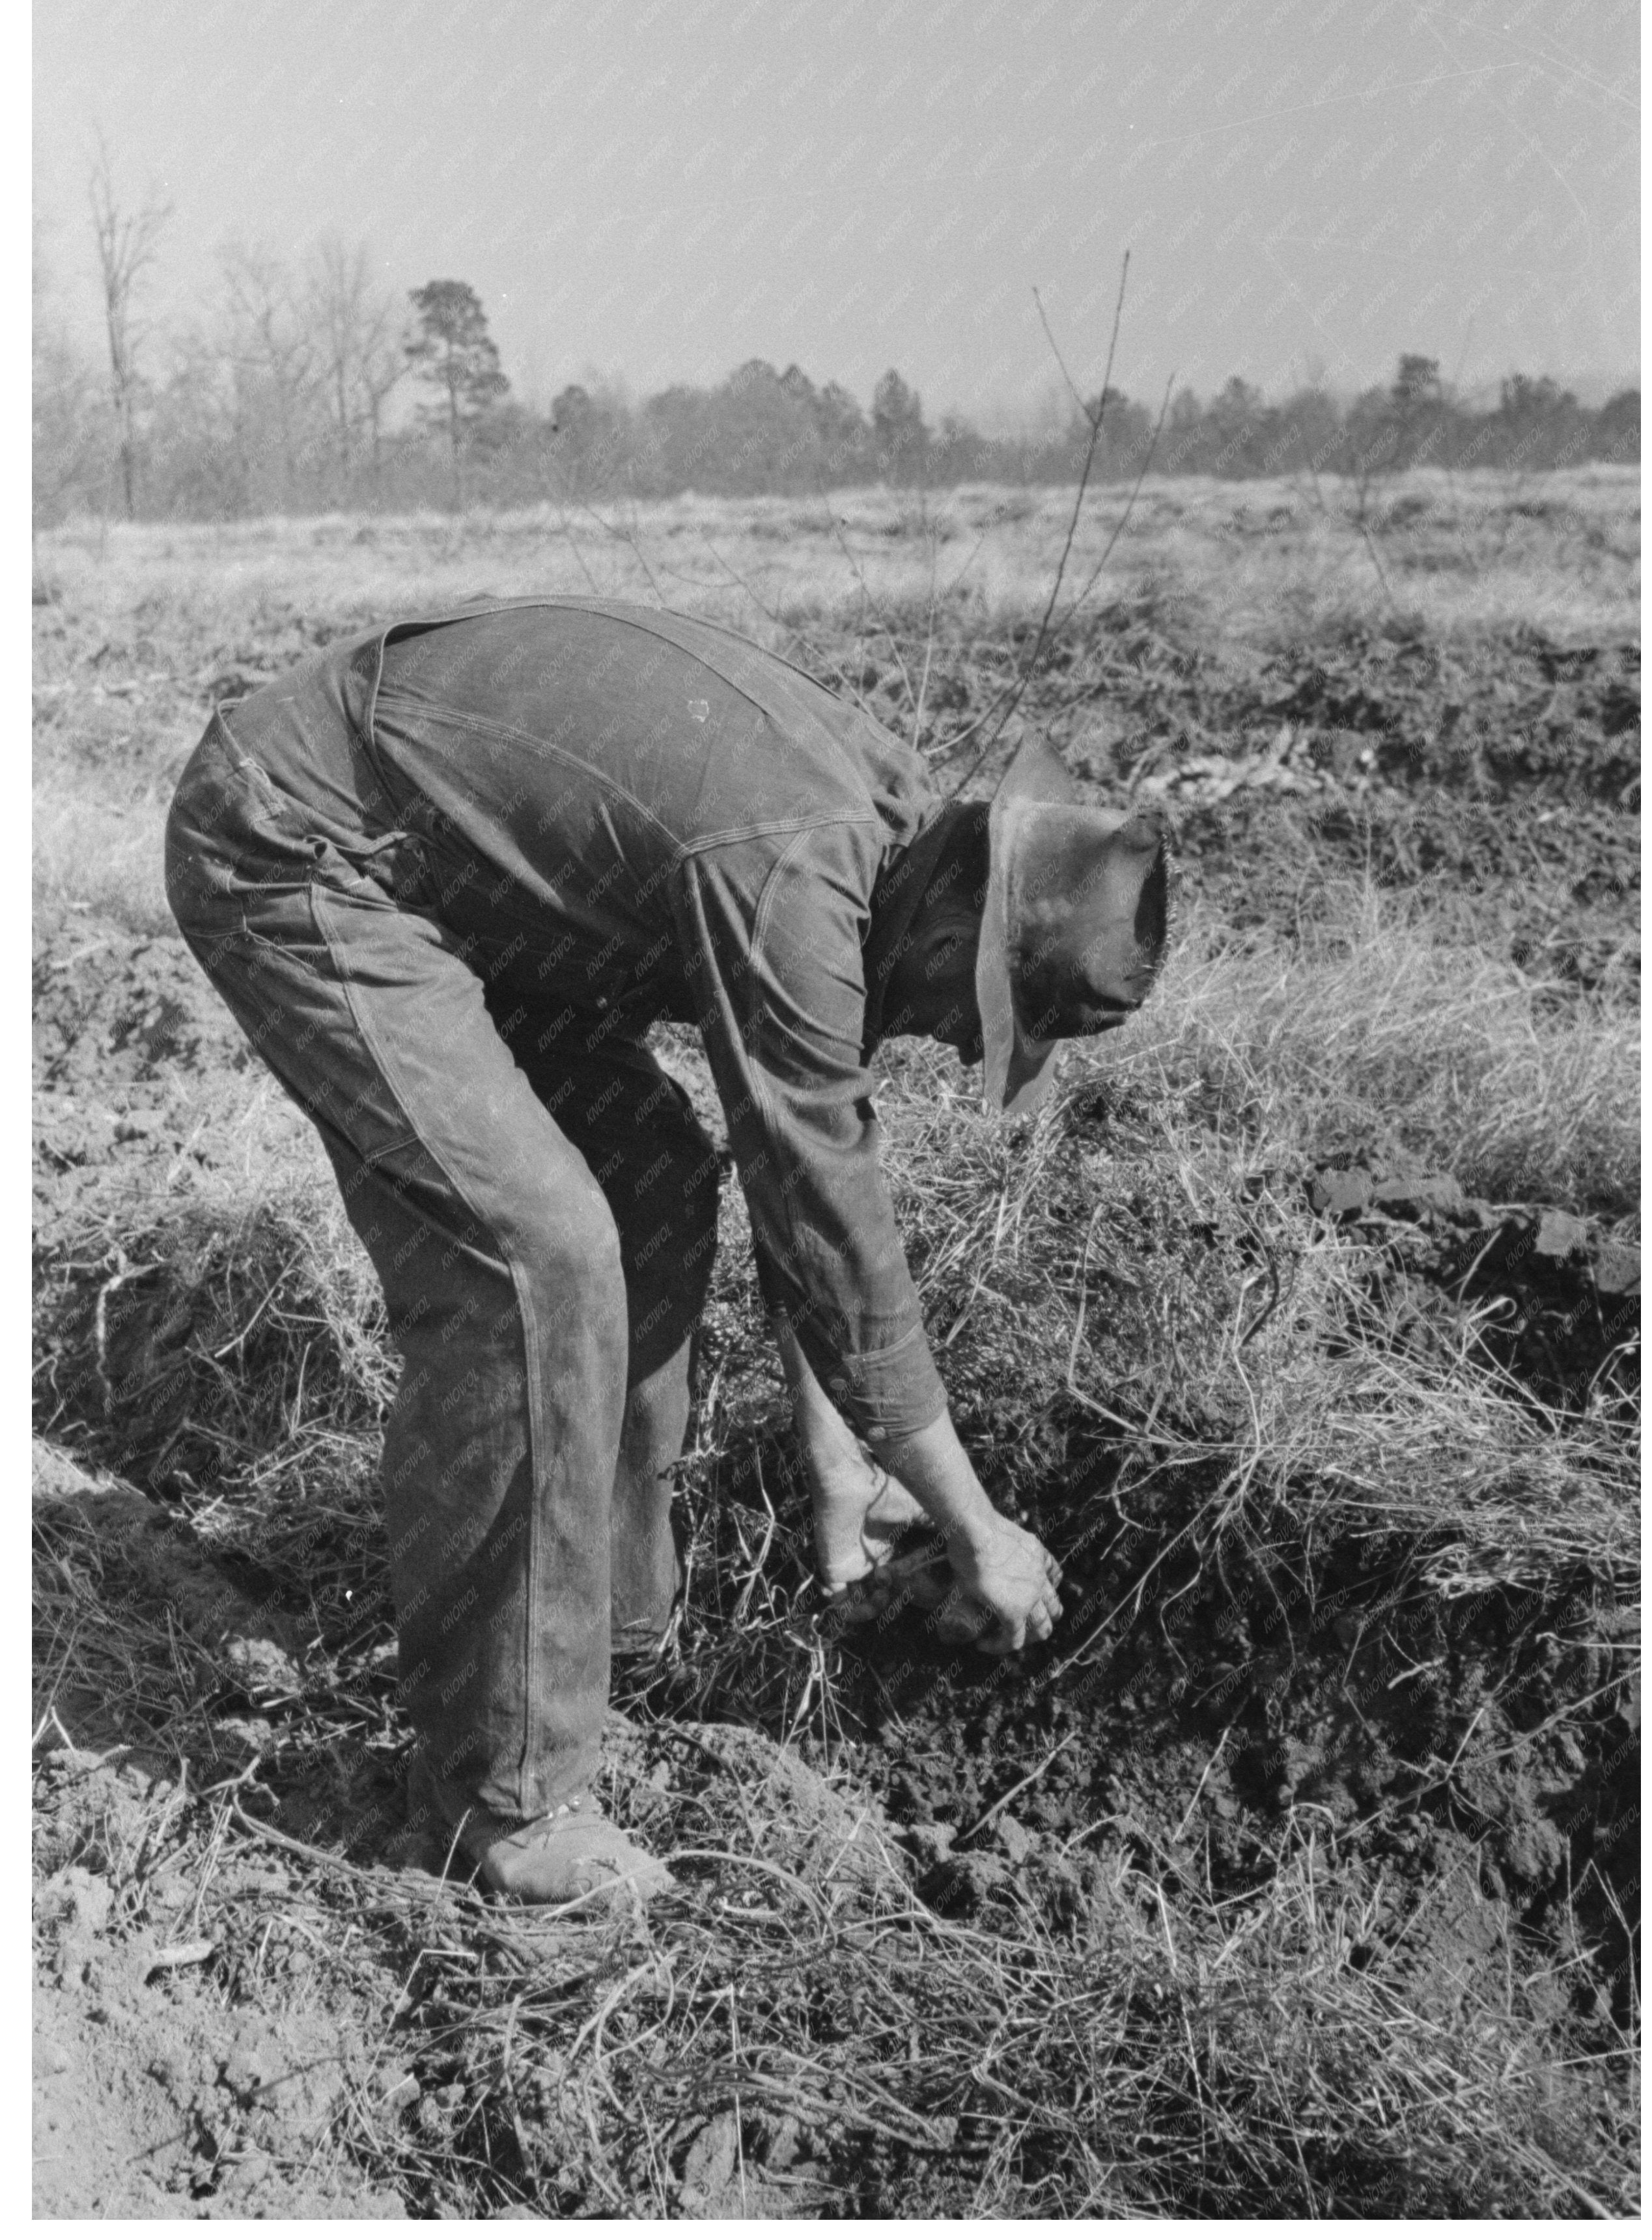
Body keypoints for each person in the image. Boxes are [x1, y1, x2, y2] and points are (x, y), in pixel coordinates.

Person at [164, 596, 1165, 1908]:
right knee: (535, 1254)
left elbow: (805, 1173)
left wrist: (839, 1467)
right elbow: (826, 1206)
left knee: (651, 1193)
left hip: (452, 873)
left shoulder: (898, 840)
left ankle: (605, 1641)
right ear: (952, 930)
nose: (943, 1037)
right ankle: (509, 1800)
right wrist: (977, 1523)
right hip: (305, 844)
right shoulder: (794, 870)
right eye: (964, 1011)